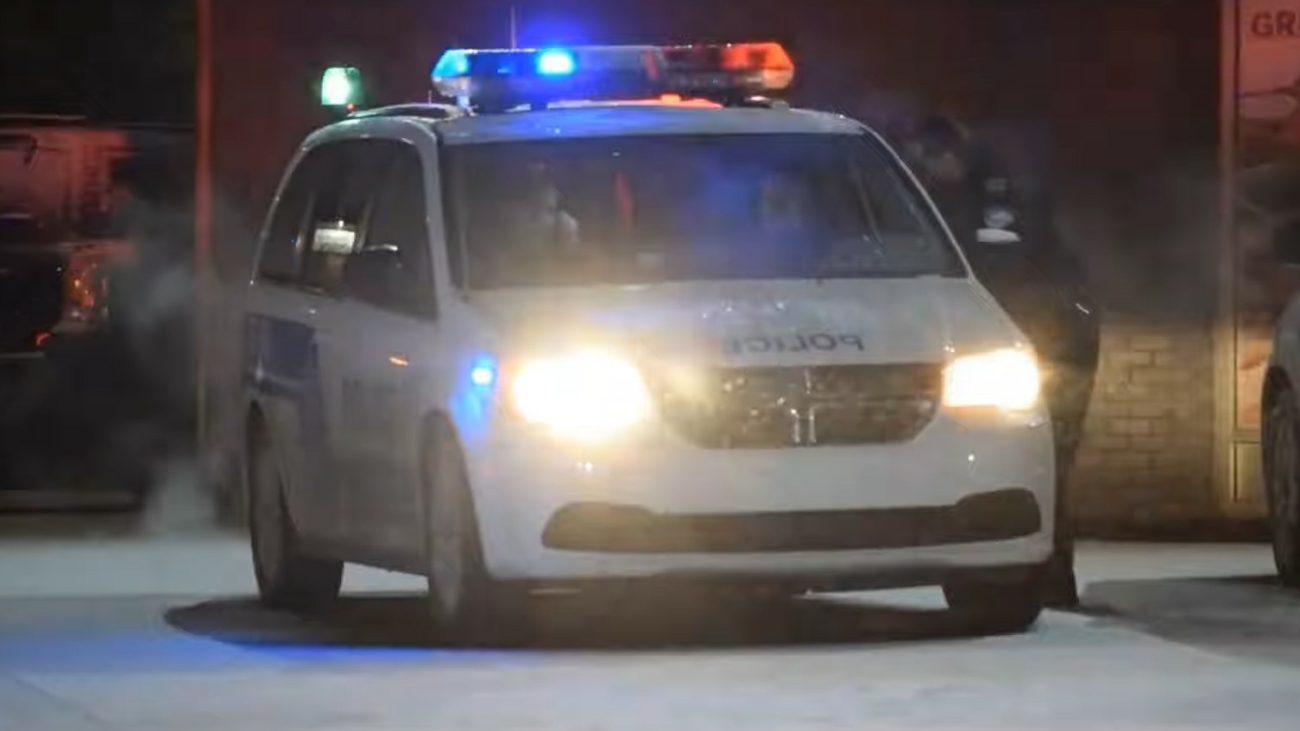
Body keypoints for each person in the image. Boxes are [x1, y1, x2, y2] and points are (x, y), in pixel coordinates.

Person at [903, 113, 1101, 609]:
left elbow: (1013, 277)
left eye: (926, 162)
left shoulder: (989, 202)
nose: (926, 173)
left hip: (1050, 344)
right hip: (1041, 341)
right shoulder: (977, 197)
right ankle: (1048, 578)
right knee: (1042, 463)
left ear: (940, 155)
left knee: (1046, 461)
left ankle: (1051, 578)